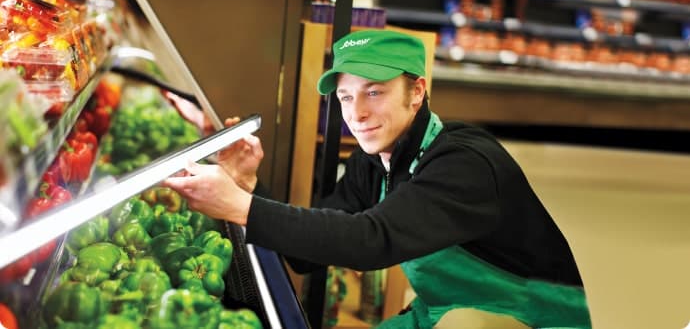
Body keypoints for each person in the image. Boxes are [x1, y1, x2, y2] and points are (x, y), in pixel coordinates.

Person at [164, 29, 592, 328]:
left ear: (417, 91)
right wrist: (247, 183)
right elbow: (308, 256)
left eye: (375, 91)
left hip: (530, 316)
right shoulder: (375, 162)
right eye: (347, 97)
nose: (357, 114)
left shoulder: (464, 164)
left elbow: (371, 240)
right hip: (444, 309)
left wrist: (238, 205)